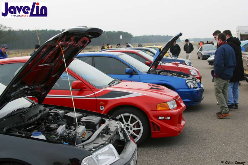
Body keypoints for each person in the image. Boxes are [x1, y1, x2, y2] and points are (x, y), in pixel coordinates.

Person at [213, 33, 236, 119]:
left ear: (220, 40)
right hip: (229, 73)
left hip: (221, 75)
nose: (217, 41)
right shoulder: (230, 48)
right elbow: (234, 61)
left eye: (217, 39)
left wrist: (217, 74)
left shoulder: (221, 49)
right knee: (224, 92)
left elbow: (218, 63)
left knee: (218, 92)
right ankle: (224, 109)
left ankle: (225, 110)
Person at [223, 30, 244, 109]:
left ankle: (230, 102)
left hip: (232, 67)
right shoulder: (237, 43)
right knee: (236, 86)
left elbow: (229, 57)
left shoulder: (229, 44)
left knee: (229, 85)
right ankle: (236, 102)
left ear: (227, 35)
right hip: (239, 67)